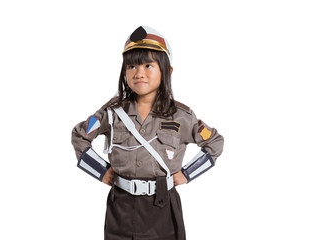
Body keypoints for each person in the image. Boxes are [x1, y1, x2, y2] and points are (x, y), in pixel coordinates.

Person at [71, 25, 224, 240]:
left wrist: (187, 174)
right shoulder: (112, 113)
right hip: (120, 205)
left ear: (167, 70)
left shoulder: (181, 116)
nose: (139, 73)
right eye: (132, 66)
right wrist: (100, 171)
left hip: (163, 205)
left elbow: (215, 143)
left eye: (148, 65)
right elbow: (80, 136)